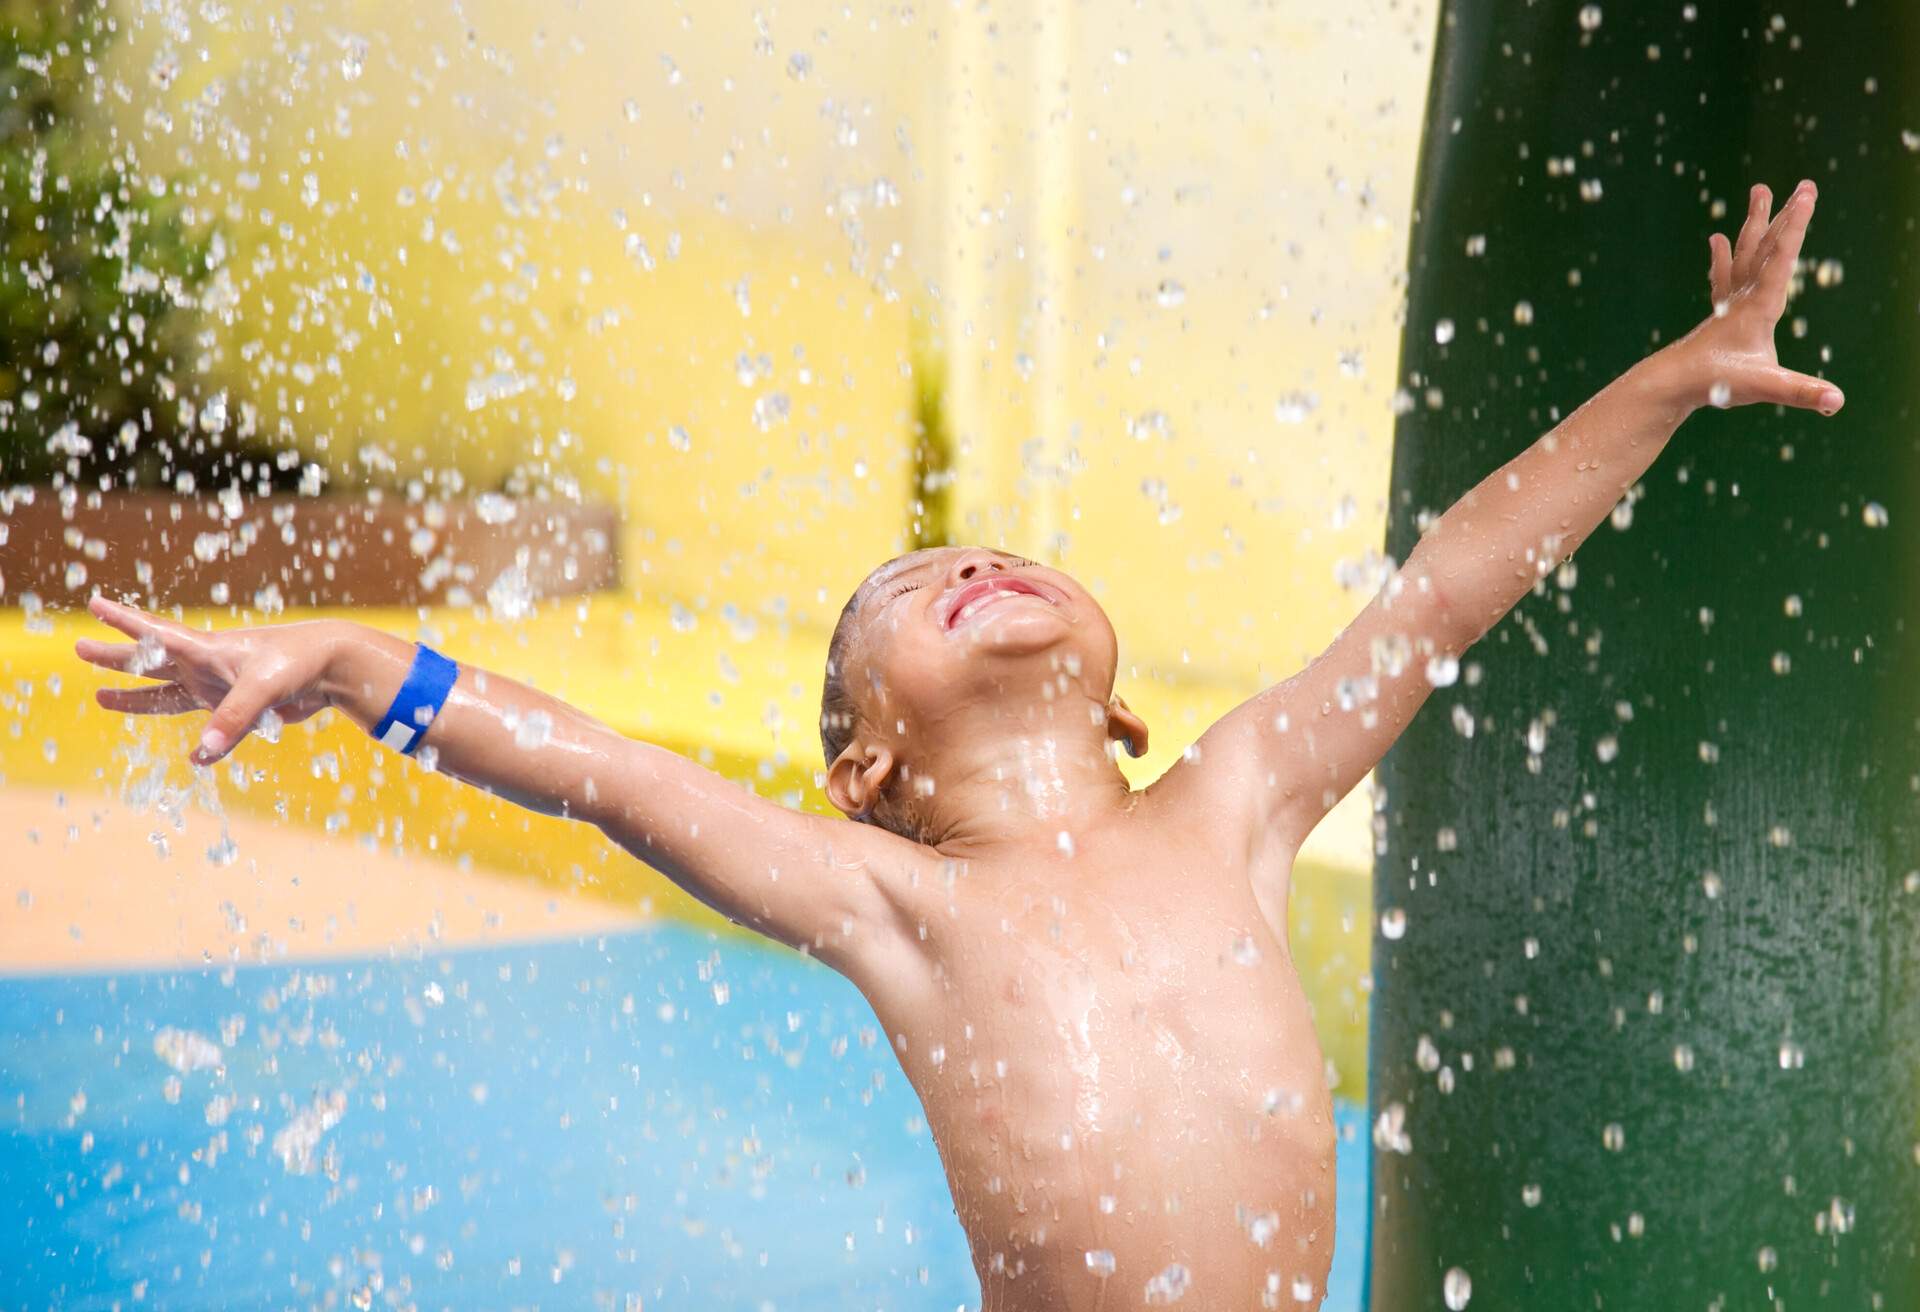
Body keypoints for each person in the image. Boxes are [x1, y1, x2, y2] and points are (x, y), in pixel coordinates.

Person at [75, 179, 1840, 1309]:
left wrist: (1684, 367)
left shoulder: (1229, 801)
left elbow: (1449, 582)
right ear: (863, 771)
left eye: (993, 558)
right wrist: (352, 659)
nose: (967, 563)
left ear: (1122, 696)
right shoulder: (889, 902)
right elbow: (603, 771)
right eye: (911, 589)